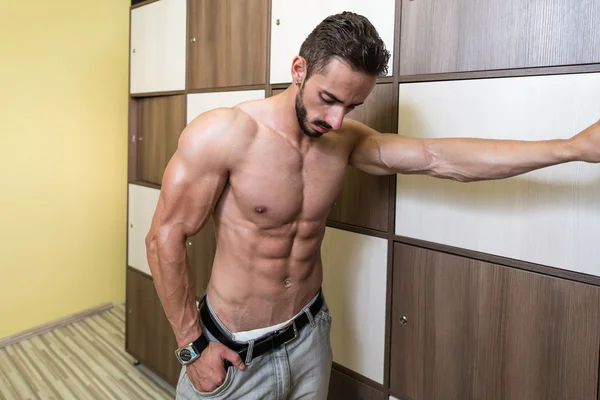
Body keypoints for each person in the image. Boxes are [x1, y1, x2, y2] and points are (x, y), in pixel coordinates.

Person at [145, 11, 600, 400]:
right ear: (299, 68)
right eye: (329, 99)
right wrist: (191, 346)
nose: (337, 120)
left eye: (353, 105)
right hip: (233, 349)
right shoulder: (224, 133)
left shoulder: (343, 141)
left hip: (308, 336)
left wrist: (572, 147)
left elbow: (440, 158)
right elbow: (165, 236)